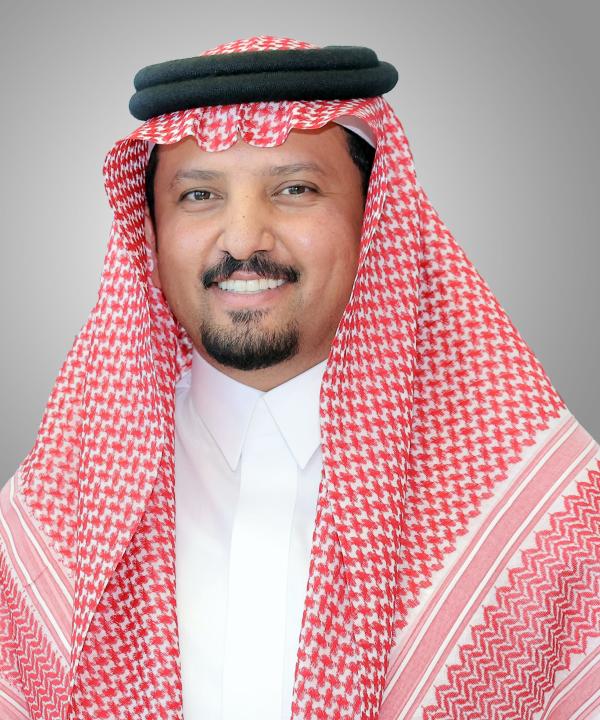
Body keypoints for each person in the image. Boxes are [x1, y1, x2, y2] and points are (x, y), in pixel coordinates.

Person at [0, 35, 598, 720]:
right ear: (152, 231)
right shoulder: (49, 521)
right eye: (199, 195)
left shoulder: (539, 515)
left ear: (374, 218)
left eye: (294, 190)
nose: (243, 238)